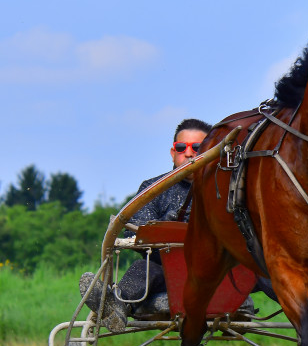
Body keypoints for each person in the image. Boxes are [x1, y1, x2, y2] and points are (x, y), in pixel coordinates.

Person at [78, 118, 257, 332]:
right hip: (168, 274)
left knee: (267, 265)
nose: (189, 154)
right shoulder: (152, 188)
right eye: (182, 148)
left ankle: (304, 305)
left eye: (198, 148)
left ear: (211, 151)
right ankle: (116, 307)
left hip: (223, 275)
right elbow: (135, 225)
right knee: (142, 269)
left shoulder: (231, 190)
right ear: (173, 153)